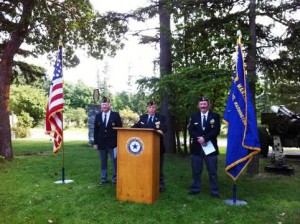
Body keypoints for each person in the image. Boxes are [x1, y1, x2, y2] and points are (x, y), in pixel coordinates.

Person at [188, 96, 221, 197]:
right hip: (197, 147)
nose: (203, 106)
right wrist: (199, 138)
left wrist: (205, 138)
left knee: (212, 171)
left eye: (205, 104)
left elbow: (216, 130)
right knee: (196, 170)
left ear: (208, 105)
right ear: (199, 106)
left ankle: (214, 191)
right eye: (201, 104)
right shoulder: (194, 116)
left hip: (210, 146)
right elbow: (191, 130)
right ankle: (195, 189)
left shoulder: (215, 116)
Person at [132, 100, 168, 192]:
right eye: (150, 107)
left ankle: (160, 185)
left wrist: (161, 130)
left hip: (157, 147)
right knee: (144, 166)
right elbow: (136, 126)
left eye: (153, 107)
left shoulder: (161, 117)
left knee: (159, 167)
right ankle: (145, 182)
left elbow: (164, 128)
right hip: (144, 148)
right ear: (147, 108)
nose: (151, 109)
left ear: (156, 108)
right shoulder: (143, 117)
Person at [93, 97, 122, 185]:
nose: (104, 106)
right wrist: (95, 143)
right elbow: (95, 131)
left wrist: (119, 142)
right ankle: (103, 179)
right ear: (101, 105)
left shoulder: (115, 115)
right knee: (103, 162)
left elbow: (120, 129)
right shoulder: (98, 116)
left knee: (115, 162)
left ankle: (115, 180)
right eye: (103, 104)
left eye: (106, 104)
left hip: (113, 143)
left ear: (109, 105)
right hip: (101, 143)